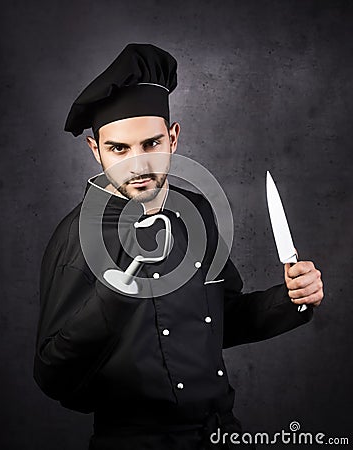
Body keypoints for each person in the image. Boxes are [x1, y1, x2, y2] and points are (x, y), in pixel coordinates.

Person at [33, 43, 324, 450]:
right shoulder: (77, 237)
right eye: (119, 149)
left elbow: (222, 318)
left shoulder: (197, 213)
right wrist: (113, 300)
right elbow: (51, 374)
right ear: (95, 149)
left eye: (151, 144)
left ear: (173, 138)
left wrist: (292, 299)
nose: (138, 165)